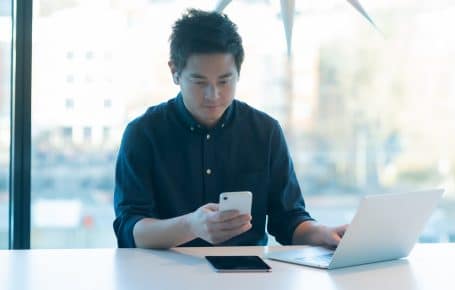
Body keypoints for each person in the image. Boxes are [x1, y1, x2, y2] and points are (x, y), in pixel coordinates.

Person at [113, 9, 347, 249]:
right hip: (162, 276)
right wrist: (191, 225)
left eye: (224, 81)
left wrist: (323, 232)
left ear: (239, 72)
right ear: (175, 72)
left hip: (248, 276)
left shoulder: (265, 132)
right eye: (199, 82)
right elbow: (130, 229)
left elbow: (288, 219)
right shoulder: (142, 134)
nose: (213, 95)